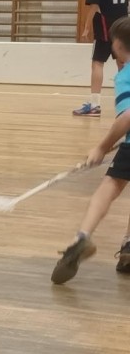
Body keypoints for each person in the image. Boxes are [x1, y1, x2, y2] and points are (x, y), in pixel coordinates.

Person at [53, 16, 130, 284]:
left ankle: (82, 237)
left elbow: (127, 116)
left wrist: (101, 147)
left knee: (110, 185)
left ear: (117, 46)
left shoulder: (125, 76)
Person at [73, 0, 129, 117]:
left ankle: (95, 105)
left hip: (105, 23)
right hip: (123, 23)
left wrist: (86, 27)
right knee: (123, 62)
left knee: (97, 62)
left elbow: (94, 5)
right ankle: (126, 102)